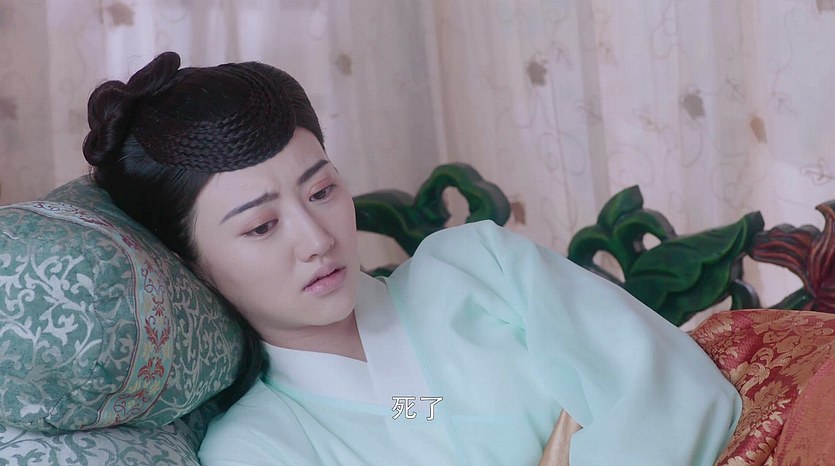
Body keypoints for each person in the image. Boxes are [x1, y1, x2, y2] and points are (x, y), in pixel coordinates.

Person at [83, 51, 741, 465]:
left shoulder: (479, 270)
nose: (316, 238)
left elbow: (673, 393)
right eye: (261, 226)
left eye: (321, 190)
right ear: (191, 263)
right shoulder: (260, 447)